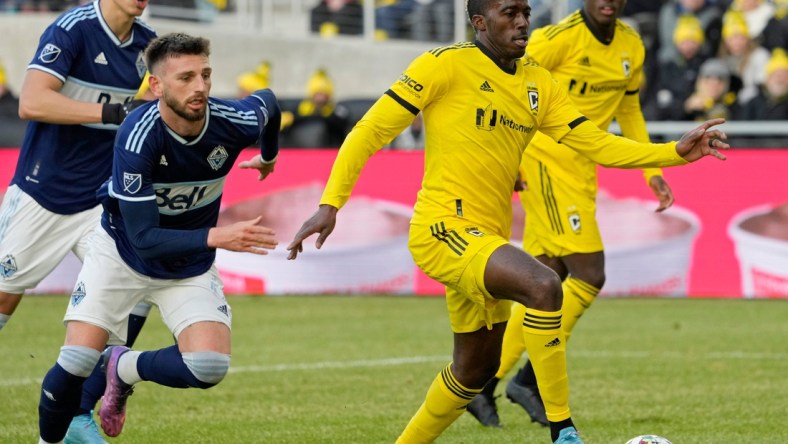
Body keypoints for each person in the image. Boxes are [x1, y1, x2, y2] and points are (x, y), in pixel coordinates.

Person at [285, 1, 730, 443]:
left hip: (486, 235)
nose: (522, 22)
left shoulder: (538, 81)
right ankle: (564, 430)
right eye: (509, 13)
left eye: (525, 12)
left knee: (474, 370)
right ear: (480, 23)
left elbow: (596, 143)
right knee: (544, 285)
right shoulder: (443, 65)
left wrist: (671, 154)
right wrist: (331, 203)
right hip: (441, 228)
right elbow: (369, 131)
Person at [35, 32, 282, 444]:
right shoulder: (137, 137)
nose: (200, 86)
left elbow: (269, 104)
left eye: (205, 74)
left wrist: (269, 157)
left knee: (208, 366)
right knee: (76, 360)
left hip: (187, 266)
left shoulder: (231, 121)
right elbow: (146, 238)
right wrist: (219, 236)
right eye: (185, 77)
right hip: (123, 254)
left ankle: (123, 367)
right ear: (157, 86)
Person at [465, 0, 680, 429]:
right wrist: (512, 161)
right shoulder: (555, 39)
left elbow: (629, 110)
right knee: (590, 272)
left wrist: (650, 170)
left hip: (582, 167)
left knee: (543, 283)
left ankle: (486, 384)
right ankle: (528, 380)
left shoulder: (631, 46)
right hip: (545, 160)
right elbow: (503, 87)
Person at [0, 1, 156, 442]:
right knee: (4, 302)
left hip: (100, 199)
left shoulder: (148, 45)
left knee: (132, 293)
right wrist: (115, 112)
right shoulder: (72, 29)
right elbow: (32, 102)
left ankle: (77, 417)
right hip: (42, 193)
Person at [653, 14, 712, 120]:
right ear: (677, 42)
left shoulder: (707, 65)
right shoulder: (667, 67)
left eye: (693, 41)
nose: (688, 46)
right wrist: (685, 106)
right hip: (673, 120)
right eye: (684, 41)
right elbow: (661, 102)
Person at [280, 68, 351, 148]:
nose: (320, 97)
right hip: (302, 150)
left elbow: (339, 122)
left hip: (331, 149)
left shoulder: (337, 110)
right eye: (318, 93)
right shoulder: (301, 108)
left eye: (323, 93)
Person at [736, 47, 788, 120]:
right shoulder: (753, 104)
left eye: (785, 76)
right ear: (767, 79)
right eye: (776, 75)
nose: (780, 80)